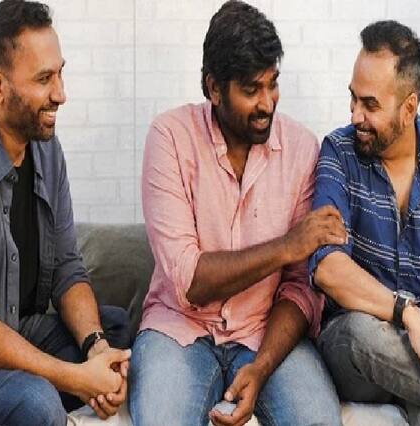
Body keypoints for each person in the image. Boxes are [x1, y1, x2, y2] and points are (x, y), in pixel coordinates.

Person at [0, 1, 131, 425]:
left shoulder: (45, 148)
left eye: (60, 73)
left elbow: (67, 268)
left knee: (114, 333)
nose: (61, 94)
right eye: (44, 79)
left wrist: (97, 349)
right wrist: (76, 379)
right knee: (36, 403)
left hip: (9, 326)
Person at [129, 1, 347, 425]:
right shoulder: (170, 138)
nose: (267, 103)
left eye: (273, 84)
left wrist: (262, 367)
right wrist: (287, 246)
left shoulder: (302, 149)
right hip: (179, 330)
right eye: (251, 90)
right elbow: (190, 281)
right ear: (214, 88)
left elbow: (299, 287)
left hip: (266, 333)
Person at [310, 20, 420, 426]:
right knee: (361, 333)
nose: (355, 115)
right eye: (353, 99)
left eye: (370, 105)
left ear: (409, 107)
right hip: (355, 348)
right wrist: (409, 315)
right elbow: (327, 266)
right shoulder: (338, 152)